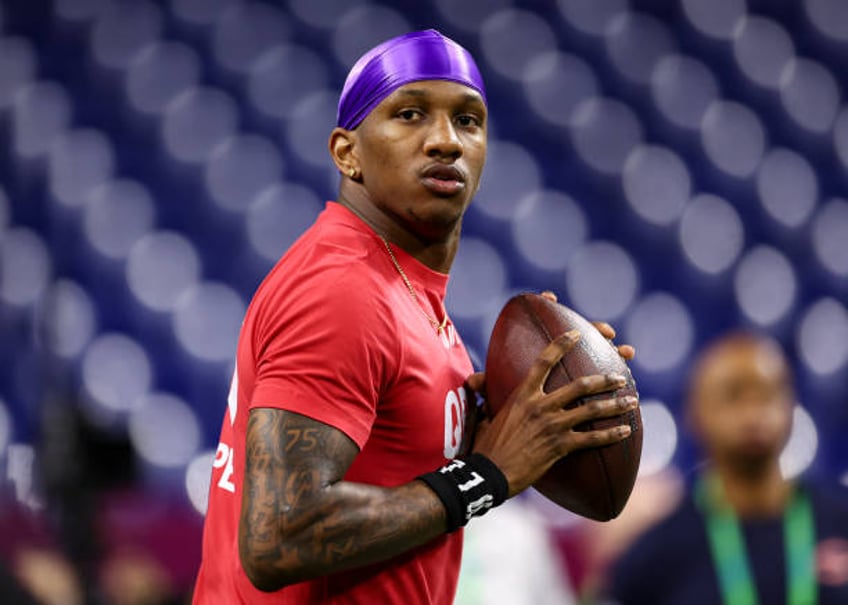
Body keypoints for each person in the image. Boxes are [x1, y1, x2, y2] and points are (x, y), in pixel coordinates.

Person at [192, 29, 638, 604]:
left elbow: (403, 484)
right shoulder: (341, 288)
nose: (446, 141)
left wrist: (493, 438)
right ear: (345, 152)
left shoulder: (407, 297)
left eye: (468, 121)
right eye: (410, 114)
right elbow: (279, 535)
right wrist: (485, 474)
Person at [603, 331, 848, 604]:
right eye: (734, 396)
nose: (754, 412)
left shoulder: (840, 517)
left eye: (769, 394)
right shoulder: (657, 551)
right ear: (695, 414)